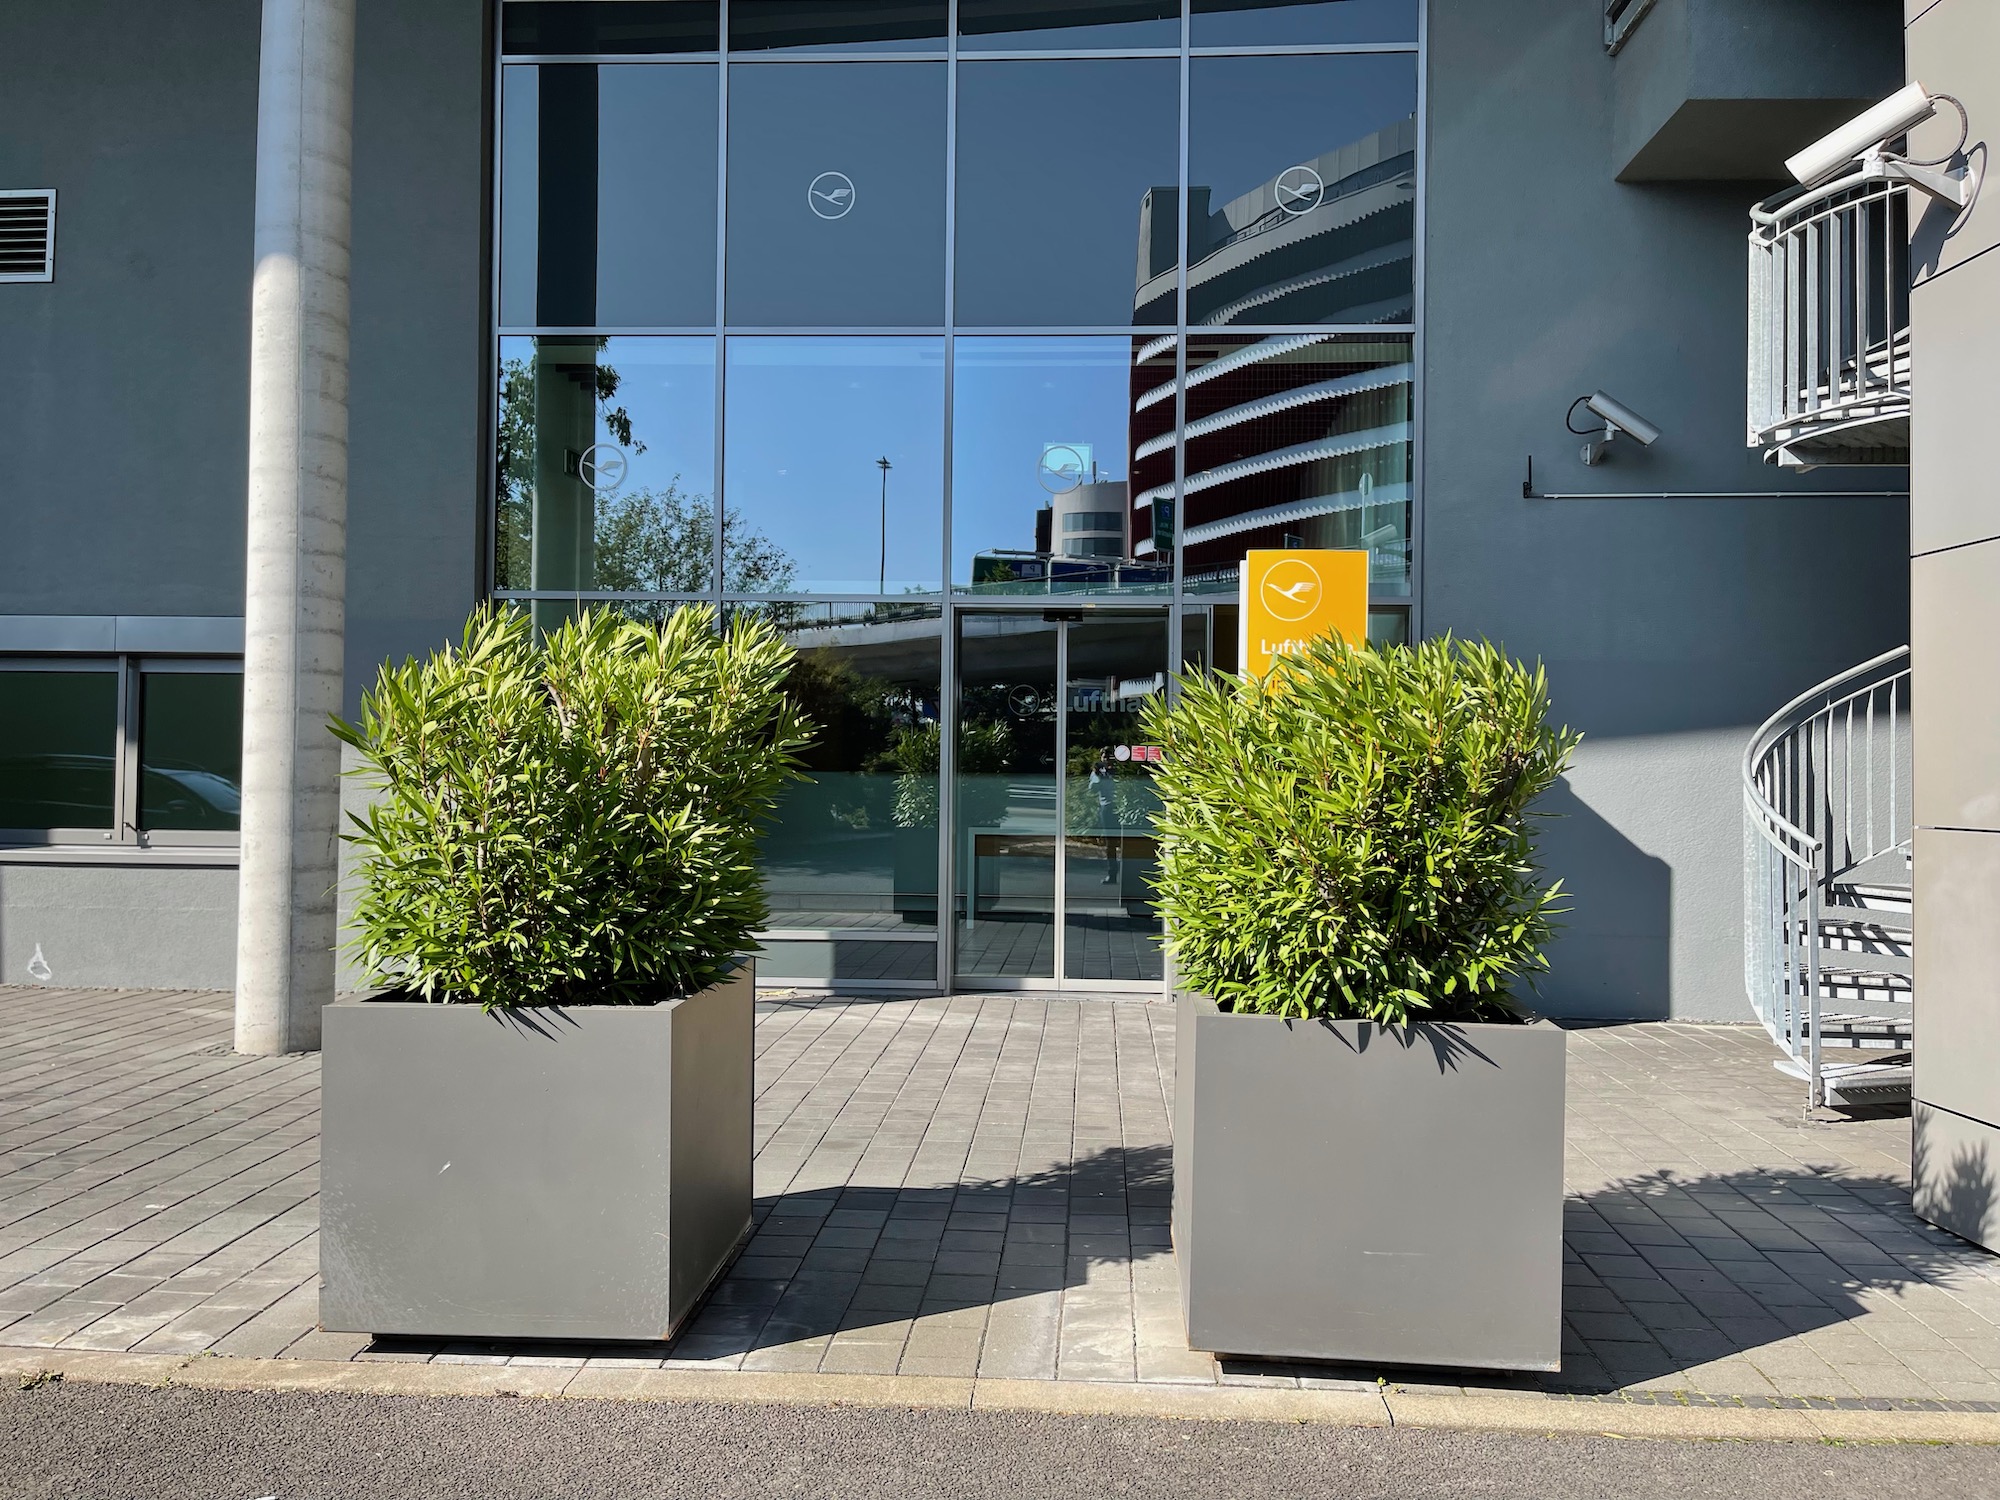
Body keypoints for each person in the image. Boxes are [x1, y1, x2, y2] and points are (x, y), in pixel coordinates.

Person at [1089, 748, 1121, 886]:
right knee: (1110, 843)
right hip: (1107, 808)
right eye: (1104, 756)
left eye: (1109, 756)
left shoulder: (1120, 771)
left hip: (1122, 808)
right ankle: (1112, 874)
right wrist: (1100, 777)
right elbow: (1092, 789)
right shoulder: (1098, 772)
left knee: (1128, 841)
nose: (1107, 759)